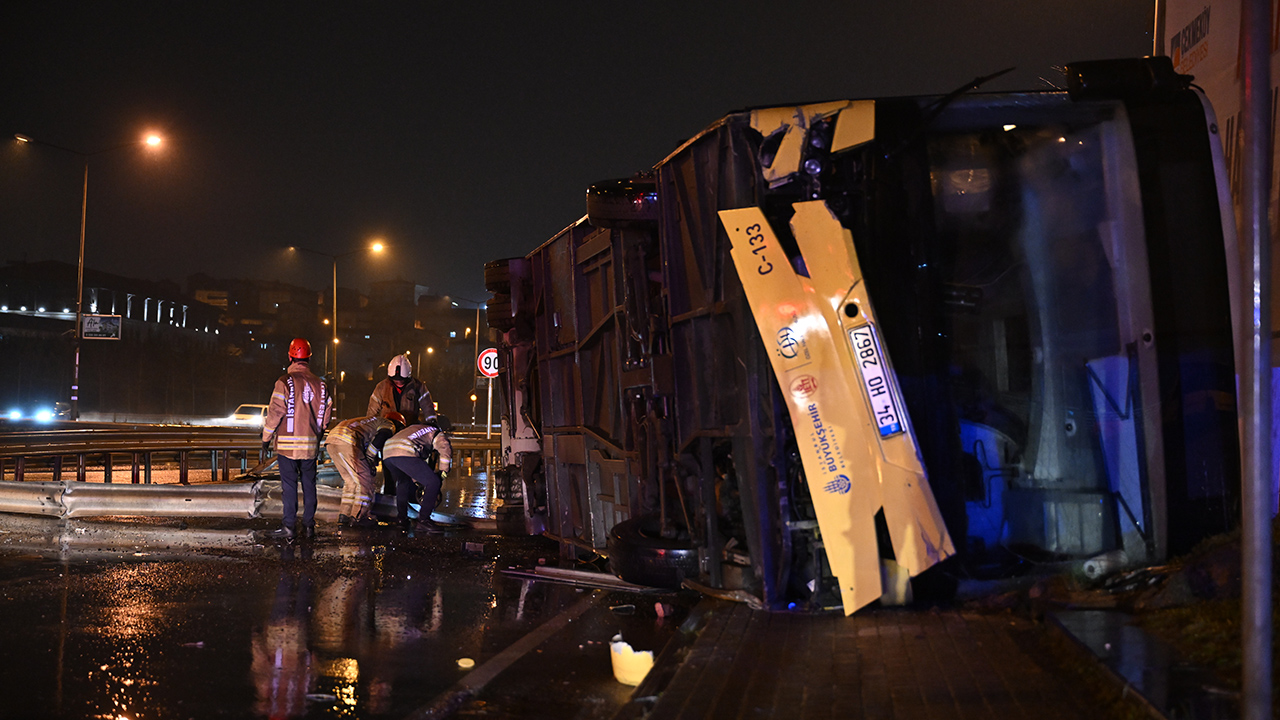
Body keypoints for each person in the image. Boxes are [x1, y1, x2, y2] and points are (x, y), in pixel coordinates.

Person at [263, 337, 332, 541]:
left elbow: (275, 413)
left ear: (290, 356)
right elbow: (326, 417)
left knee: (290, 487)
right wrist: (315, 434)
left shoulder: (284, 382)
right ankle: (309, 526)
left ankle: (289, 527)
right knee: (309, 485)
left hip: (287, 447)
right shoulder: (321, 385)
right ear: (309, 358)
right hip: (310, 447)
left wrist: (266, 437)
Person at [368, 354, 434, 495]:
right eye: (395, 380)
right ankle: (390, 495)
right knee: (388, 467)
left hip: (409, 434)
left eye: (402, 380)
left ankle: (409, 497)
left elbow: (428, 407)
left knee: (408, 468)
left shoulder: (418, 387)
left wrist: (432, 424)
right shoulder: (381, 387)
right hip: (387, 433)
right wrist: (371, 432)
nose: (399, 382)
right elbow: (372, 413)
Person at [326, 412, 405, 528]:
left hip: (331, 439)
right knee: (366, 482)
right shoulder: (388, 423)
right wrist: (370, 457)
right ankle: (359, 517)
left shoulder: (370, 422)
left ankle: (344, 516)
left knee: (351, 482)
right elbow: (383, 435)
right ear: (398, 424)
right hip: (348, 440)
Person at [381, 415, 453, 534]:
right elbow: (445, 449)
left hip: (388, 453)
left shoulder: (415, 428)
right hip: (405, 452)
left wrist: (416, 480)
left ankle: (401, 519)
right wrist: (443, 472)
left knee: (403, 482)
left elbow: (413, 466)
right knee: (433, 482)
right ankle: (423, 521)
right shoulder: (436, 433)